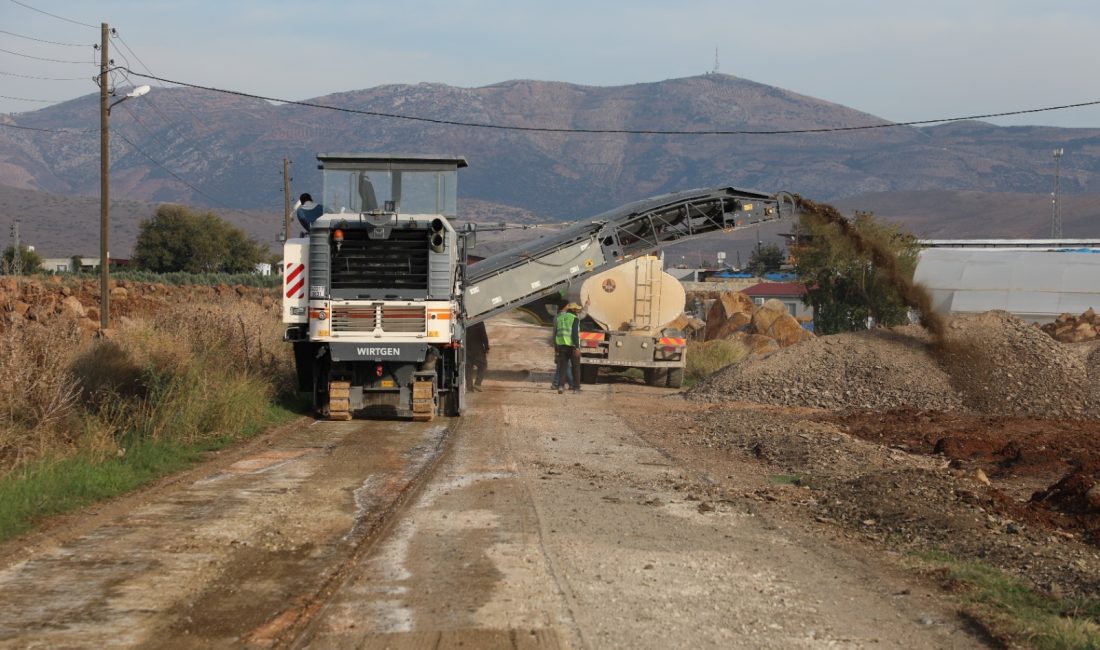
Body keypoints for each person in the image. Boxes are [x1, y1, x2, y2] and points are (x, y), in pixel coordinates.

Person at [554, 302, 584, 394]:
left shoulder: (559, 318)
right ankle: (576, 388)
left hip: (561, 345)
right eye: (577, 309)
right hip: (572, 346)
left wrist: (556, 347)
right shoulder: (574, 319)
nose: (579, 311)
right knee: (576, 367)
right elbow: (575, 334)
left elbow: (555, 332)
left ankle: (561, 386)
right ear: (574, 310)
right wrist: (577, 347)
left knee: (563, 367)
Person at [465, 321, 489, 392]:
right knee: (483, 365)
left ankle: (469, 388)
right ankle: (477, 384)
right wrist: (486, 347)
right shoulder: (479, 321)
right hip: (477, 349)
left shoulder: (464, 320)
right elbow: (483, 335)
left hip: (466, 348)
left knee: (468, 368)